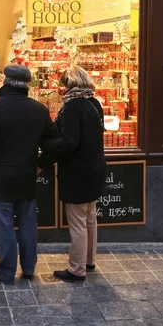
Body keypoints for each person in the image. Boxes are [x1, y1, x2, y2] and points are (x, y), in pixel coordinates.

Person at [0, 64, 56, 284]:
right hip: (26, 176)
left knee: (4, 226)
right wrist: (41, 164)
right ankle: (28, 268)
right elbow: (54, 144)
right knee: (28, 224)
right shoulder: (39, 110)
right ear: (27, 85)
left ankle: (6, 271)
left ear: (5, 82)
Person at [39, 65, 106, 282]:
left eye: (63, 84)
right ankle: (89, 260)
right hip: (95, 169)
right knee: (90, 219)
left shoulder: (72, 108)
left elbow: (69, 142)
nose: (61, 88)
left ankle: (77, 269)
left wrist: (47, 145)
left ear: (70, 84)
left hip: (77, 173)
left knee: (77, 223)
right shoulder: (94, 103)